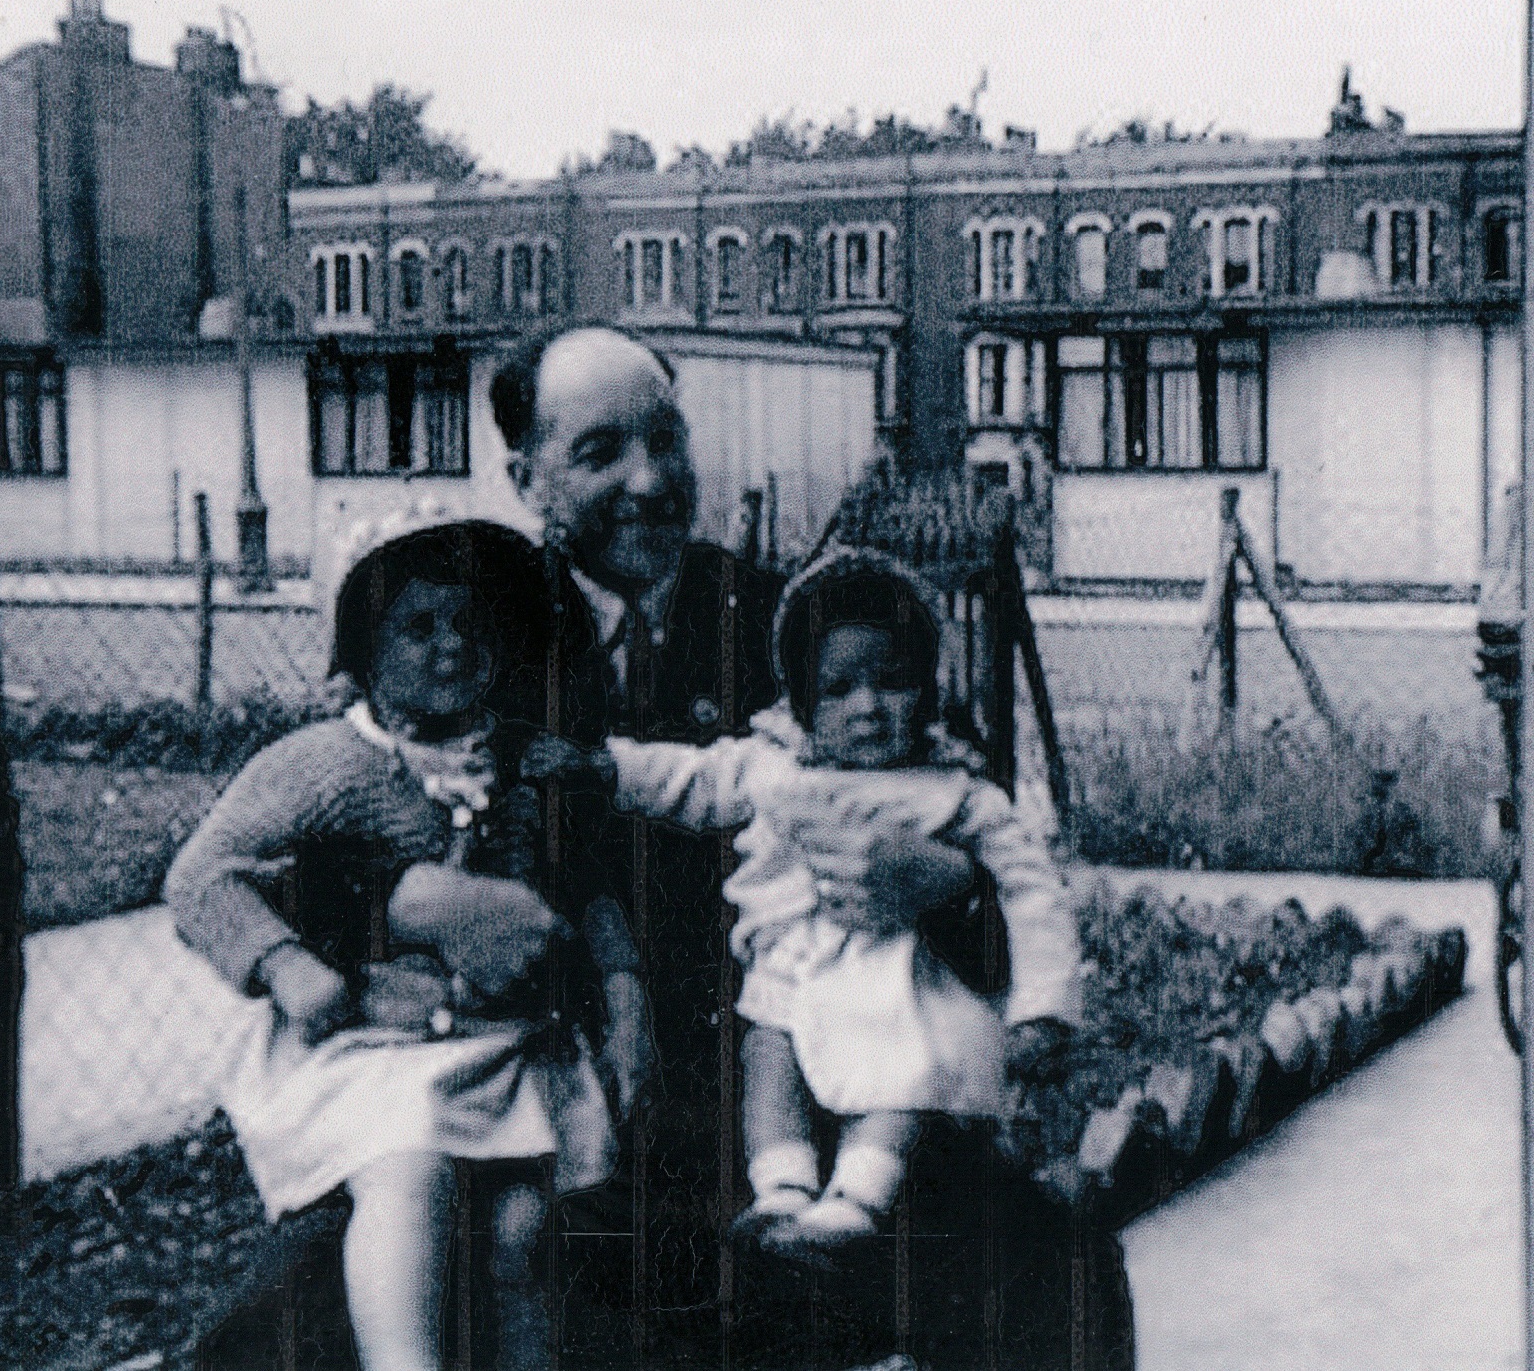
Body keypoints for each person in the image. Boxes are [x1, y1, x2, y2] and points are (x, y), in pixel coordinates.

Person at [493, 323, 1133, 1370]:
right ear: (527, 478)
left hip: (850, 1055)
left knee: (1055, 1260)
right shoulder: (481, 641)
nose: (649, 481)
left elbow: (963, 787)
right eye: (599, 452)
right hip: (624, 1097)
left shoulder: (791, 614)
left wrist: (946, 882)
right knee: (619, 1288)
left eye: (667, 439)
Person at [165, 515, 646, 1371]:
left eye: (469, 625)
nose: (451, 647)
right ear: (359, 650)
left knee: (522, 1228)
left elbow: (593, 888)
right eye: (417, 627)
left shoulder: (529, 763)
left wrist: (625, 998)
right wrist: (286, 963)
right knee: (407, 1168)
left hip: (506, 1047)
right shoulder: (322, 764)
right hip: (374, 1047)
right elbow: (202, 876)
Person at [529, 549, 1082, 1255]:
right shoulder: (774, 764)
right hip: (792, 967)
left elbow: (1034, 895)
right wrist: (605, 765)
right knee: (766, 1053)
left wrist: (1043, 1005)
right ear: (799, 700)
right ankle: (782, 1183)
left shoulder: (958, 789)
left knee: (904, 1071)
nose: (868, 706)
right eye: (839, 689)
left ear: (928, 687)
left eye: (893, 682)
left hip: (901, 974)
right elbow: (692, 776)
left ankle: (861, 1192)